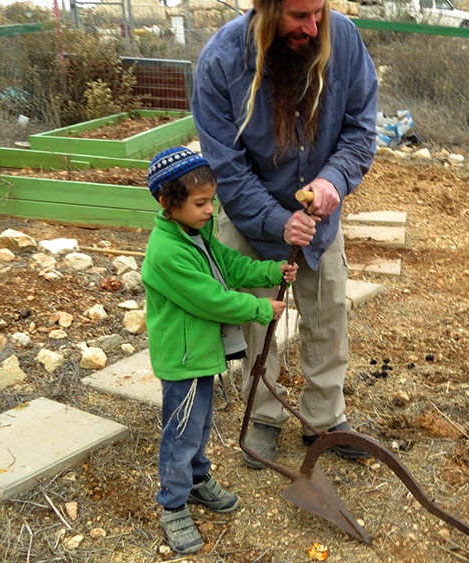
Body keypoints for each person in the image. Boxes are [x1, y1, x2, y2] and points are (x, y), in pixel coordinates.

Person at [192, 0, 378, 469]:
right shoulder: (220, 61)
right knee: (258, 318)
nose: (313, 27)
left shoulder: (345, 42)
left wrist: (334, 180)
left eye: (319, 12)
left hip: (318, 215)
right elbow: (226, 170)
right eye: (299, 16)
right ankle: (264, 415)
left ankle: (323, 418)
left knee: (329, 311)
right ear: (264, 8)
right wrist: (277, 221)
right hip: (250, 212)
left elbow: (360, 130)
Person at [142, 146, 298, 554]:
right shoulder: (166, 251)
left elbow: (228, 265)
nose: (210, 210)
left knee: (200, 423)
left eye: (212, 200)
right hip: (182, 360)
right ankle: (173, 506)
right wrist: (259, 308)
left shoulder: (196, 234)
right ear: (166, 202)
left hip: (200, 355)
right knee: (180, 432)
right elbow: (210, 298)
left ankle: (196, 481)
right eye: (200, 203)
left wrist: (271, 270)